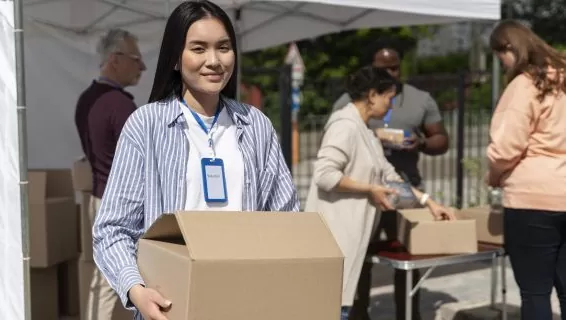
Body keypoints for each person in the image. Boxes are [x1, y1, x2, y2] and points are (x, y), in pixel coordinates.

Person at [92, 1, 300, 319]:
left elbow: (287, 218)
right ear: (176, 57)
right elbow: (112, 228)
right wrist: (136, 290)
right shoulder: (146, 125)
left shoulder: (256, 124)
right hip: (172, 302)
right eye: (198, 48)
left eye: (224, 48)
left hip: (246, 297)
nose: (213, 61)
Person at [305, 65, 455, 320]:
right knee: (333, 308)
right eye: (389, 97)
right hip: (335, 238)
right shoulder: (345, 126)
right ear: (372, 95)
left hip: (350, 238)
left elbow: (390, 176)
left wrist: (427, 201)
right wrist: (370, 189)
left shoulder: (365, 131)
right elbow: (325, 175)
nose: (391, 105)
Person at [487, 19, 566, 320]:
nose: (502, 63)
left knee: (535, 294)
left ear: (509, 48)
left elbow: (506, 147)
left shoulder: (525, 85)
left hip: (532, 200)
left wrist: (493, 175)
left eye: (500, 55)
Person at [74, 28, 146, 320]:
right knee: (118, 279)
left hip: (99, 198)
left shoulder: (86, 100)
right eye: (136, 59)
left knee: (104, 278)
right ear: (115, 59)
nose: (141, 66)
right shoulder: (120, 105)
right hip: (120, 204)